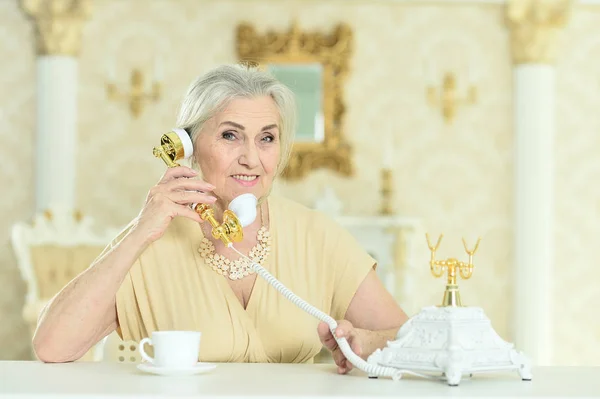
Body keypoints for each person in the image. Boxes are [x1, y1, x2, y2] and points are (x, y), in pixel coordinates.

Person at [32, 64, 408, 374]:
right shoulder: (152, 243)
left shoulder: (317, 235)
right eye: (231, 135)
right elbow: (52, 347)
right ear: (189, 146)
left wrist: (370, 341)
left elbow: (414, 338)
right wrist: (138, 234)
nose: (251, 158)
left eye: (266, 138)